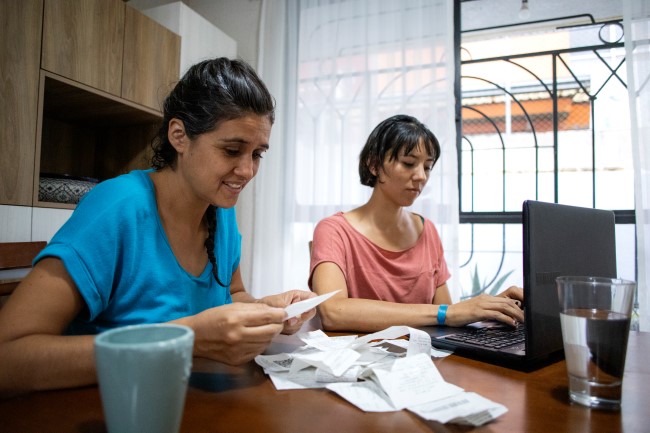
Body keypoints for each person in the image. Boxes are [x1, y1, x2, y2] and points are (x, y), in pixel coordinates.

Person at [0, 57, 315, 397]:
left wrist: (268, 311)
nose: (247, 171)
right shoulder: (117, 209)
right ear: (179, 136)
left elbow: (231, 295)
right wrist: (185, 339)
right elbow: (9, 357)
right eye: (231, 150)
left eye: (257, 154)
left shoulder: (219, 209)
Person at [309, 114, 523, 333]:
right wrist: (446, 313)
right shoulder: (334, 230)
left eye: (428, 166)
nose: (421, 176)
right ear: (374, 164)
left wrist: (491, 308)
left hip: (422, 361)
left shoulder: (427, 230)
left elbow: (448, 315)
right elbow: (333, 312)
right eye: (409, 163)